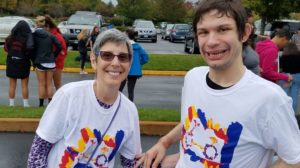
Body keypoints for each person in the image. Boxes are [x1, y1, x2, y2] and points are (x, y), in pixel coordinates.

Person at [135, 0, 300, 167]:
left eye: (223, 29)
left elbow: (294, 160)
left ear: (244, 33)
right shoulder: (193, 78)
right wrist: (165, 143)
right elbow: (191, 124)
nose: (212, 41)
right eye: (203, 32)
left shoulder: (269, 99)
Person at [27, 29, 142, 168]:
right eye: (107, 55)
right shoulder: (69, 96)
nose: (116, 63)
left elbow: (131, 162)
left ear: (129, 64)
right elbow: (38, 153)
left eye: (123, 57)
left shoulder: (129, 111)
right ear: (94, 60)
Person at [32, 16, 62, 107]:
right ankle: (50, 104)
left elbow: (31, 47)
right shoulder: (50, 35)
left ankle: (41, 105)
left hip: (40, 61)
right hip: (50, 61)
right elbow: (59, 46)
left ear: (36, 24)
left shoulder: (34, 35)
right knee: (49, 84)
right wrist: (54, 55)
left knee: (41, 84)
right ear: (45, 23)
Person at [4, 20, 34, 107]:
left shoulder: (10, 38)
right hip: (23, 62)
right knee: (24, 85)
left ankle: (11, 104)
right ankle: (25, 104)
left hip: (12, 61)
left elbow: (6, 49)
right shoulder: (27, 39)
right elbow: (29, 51)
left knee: (12, 85)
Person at [119, 28, 149, 101]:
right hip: (134, 72)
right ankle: (131, 108)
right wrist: (138, 64)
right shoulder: (138, 47)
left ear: (127, 36)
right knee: (131, 91)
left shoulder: (123, 46)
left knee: (119, 90)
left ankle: (116, 106)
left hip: (124, 70)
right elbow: (146, 58)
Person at [44, 15, 68, 90]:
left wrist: (53, 59)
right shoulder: (47, 34)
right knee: (48, 84)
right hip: (49, 63)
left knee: (57, 84)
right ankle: (51, 101)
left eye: (42, 27)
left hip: (56, 64)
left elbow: (63, 52)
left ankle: (59, 101)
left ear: (47, 26)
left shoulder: (56, 36)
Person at [280, 42, 300, 112]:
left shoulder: (283, 56)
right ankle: (292, 112)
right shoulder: (299, 55)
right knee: (295, 95)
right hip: (297, 76)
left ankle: (285, 112)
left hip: (286, 76)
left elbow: (281, 68)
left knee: (285, 94)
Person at [243, 8, 260, 75]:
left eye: (252, 24)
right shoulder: (239, 44)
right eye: (249, 24)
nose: (251, 27)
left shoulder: (250, 40)